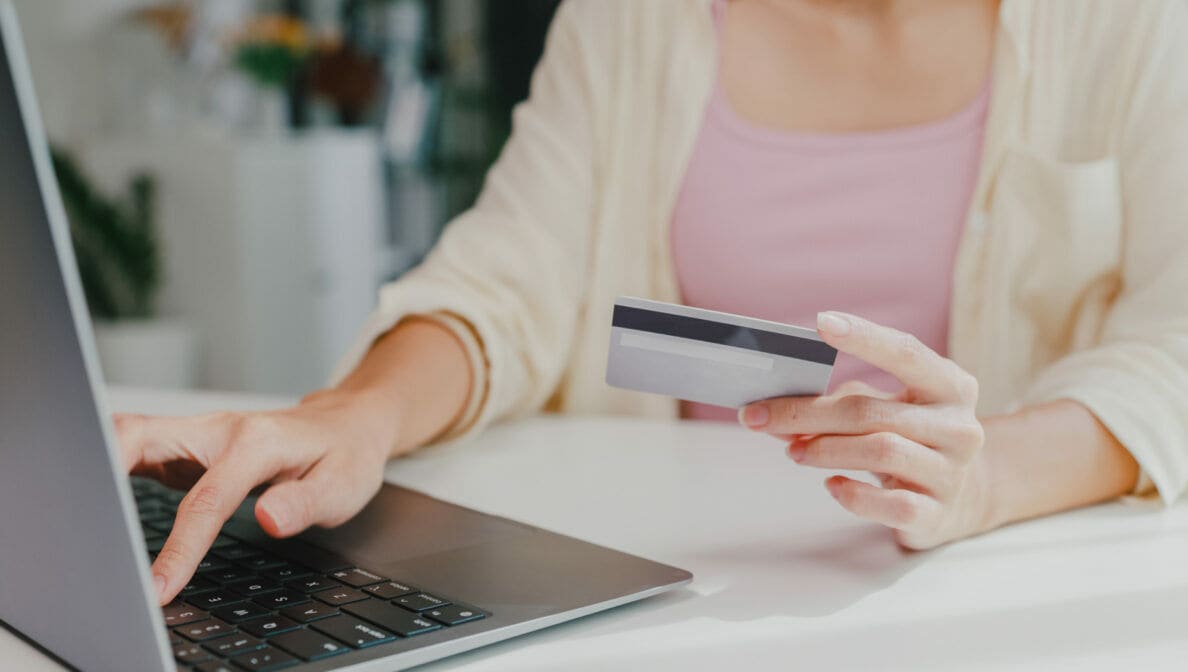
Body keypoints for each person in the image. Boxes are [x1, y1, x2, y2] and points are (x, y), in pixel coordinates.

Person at [118, 0, 1188, 606]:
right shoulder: (631, 22)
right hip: (677, 593)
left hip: (983, 603)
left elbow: (1177, 342)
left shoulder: (1127, 25)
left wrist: (987, 474)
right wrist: (353, 415)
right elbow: (508, 275)